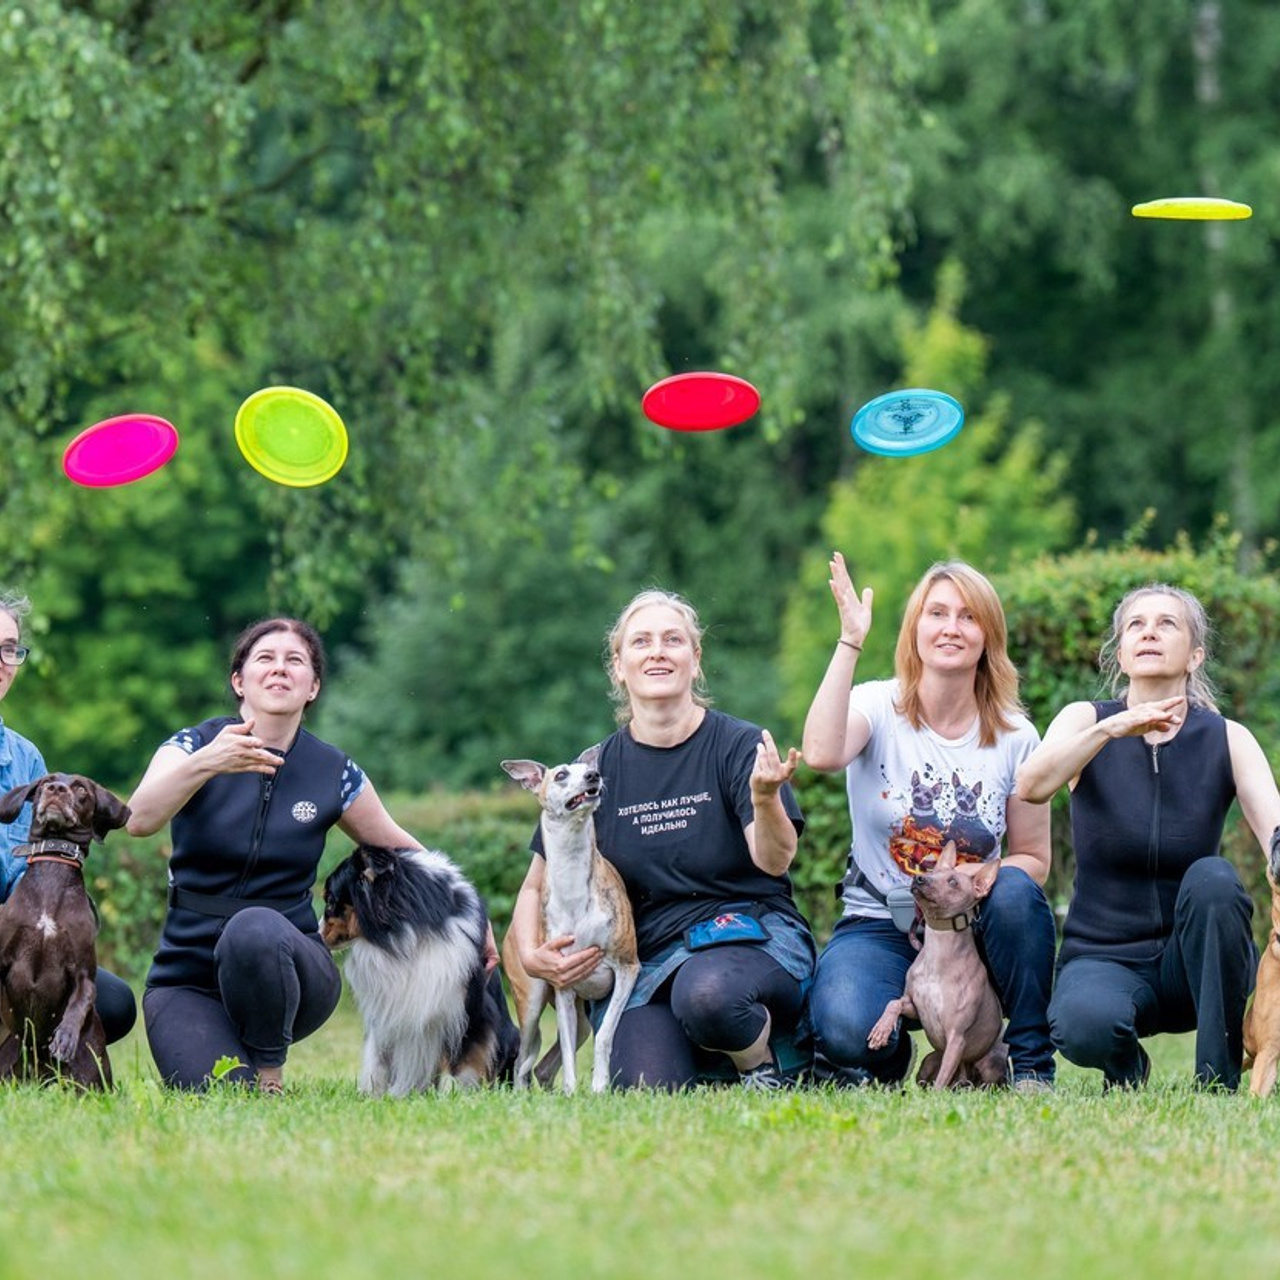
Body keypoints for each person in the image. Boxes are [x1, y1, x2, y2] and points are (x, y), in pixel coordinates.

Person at [508, 589, 815, 1091]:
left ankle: (765, 1061)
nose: (657, 651)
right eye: (641, 641)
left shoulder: (739, 745)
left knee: (709, 995)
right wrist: (530, 952)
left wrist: (764, 799)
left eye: (673, 640)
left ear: (695, 661)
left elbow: (776, 860)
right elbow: (532, 887)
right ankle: (716, 1055)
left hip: (747, 934)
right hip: (650, 959)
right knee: (646, 1082)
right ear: (618, 666)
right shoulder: (596, 770)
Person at [128, 617, 428, 1093]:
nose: (279, 669)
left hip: (291, 968)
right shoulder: (191, 746)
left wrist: (471, 919)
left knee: (253, 928)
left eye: (295, 661)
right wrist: (208, 764)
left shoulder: (333, 771)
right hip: (188, 979)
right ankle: (236, 1059)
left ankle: (271, 1072)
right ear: (238, 681)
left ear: (313, 687)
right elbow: (138, 819)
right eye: (264, 659)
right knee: (221, 1094)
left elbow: (402, 850)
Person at [803, 554, 1055, 1090]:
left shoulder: (1016, 737)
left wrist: (976, 884)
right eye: (936, 613)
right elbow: (821, 753)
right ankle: (888, 1058)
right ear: (915, 627)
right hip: (881, 921)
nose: (951, 628)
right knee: (846, 1025)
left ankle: (1030, 1063)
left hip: (973, 926)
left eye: (968, 617)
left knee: (1014, 890)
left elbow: (1034, 858)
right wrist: (849, 640)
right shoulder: (876, 705)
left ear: (988, 635)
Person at [1015, 584, 1279, 1091]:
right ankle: (1127, 1069)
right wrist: (1111, 730)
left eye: (1167, 623)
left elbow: (1277, 836)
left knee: (1214, 879)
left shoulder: (1227, 736)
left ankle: (1216, 1081)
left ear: (1195, 655)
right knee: (1080, 1026)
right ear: (1120, 652)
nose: (1149, 632)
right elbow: (1031, 786)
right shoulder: (1083, 719)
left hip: (1197, 963)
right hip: (1104, 955)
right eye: (1136, 624)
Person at [0, 591, 137, 1043]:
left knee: (113, 1004)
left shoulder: (24, 757)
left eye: (8, 648)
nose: (2, 660)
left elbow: (38, 868)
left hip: (12, 932)